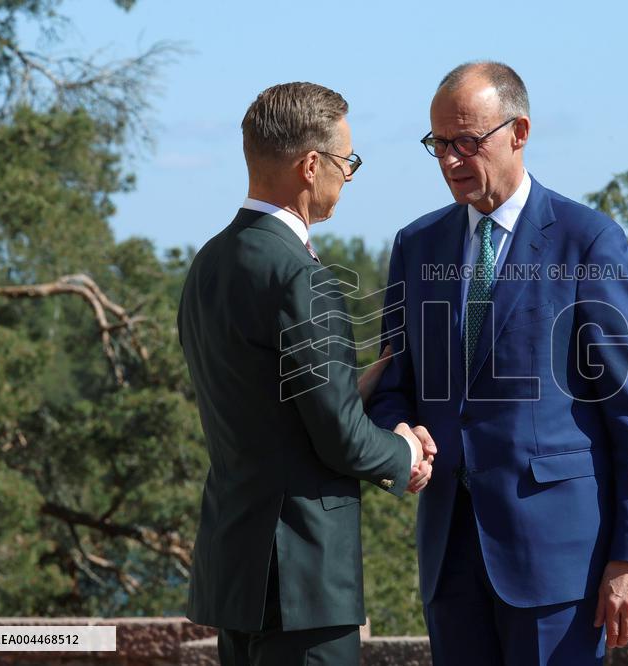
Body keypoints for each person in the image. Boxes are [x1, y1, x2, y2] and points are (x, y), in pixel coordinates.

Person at [367, 62, 628, 665]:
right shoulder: (416, 245)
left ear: (519, 132)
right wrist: (397, 429)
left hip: (560, 564)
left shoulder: (589, 243)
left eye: (467, 142)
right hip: (449, 559)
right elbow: (392, 383)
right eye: (439, 144)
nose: (451, 160)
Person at [178, 82, 435, 666]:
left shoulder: (208, 264)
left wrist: (352, 386)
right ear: (311, 165)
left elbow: (265, 403)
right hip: (302, 580)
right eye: (347, 162)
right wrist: (402, 454)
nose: (347, 176)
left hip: (237, 573)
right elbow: (340, 438)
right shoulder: (303, 276)